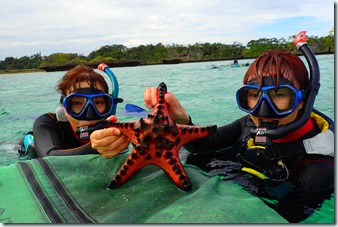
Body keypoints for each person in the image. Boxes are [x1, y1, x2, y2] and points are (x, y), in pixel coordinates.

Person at [143, 50, 334, 223]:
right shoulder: (249, 122)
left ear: (302, 100)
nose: (263, 108)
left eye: (280, 95)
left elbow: (280, 219)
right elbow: (203, 145)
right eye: (253, 94)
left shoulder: (318, 167)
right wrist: (182, 119)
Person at [33, 64, 130, 158]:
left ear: (109, 106)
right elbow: (49, 157)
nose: (89, 114)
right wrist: (96, 148)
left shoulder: (114, 132)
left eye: (98, 102)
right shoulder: (47, 123)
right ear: (63, 108)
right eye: (76, 103)